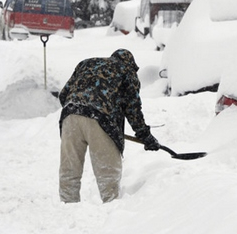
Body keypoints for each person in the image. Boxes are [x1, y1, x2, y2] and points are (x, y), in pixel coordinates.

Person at [58, 48, 163, 203]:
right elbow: (132, 109)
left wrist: (80, 112)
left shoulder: (86, 64)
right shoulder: (126, 71)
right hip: (101, 120)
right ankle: (111, 212)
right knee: (107, 174)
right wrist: (145, 136)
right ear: (131, 64)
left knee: (70, 169)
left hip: (70, 115)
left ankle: (67, 206)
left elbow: (63, 94)